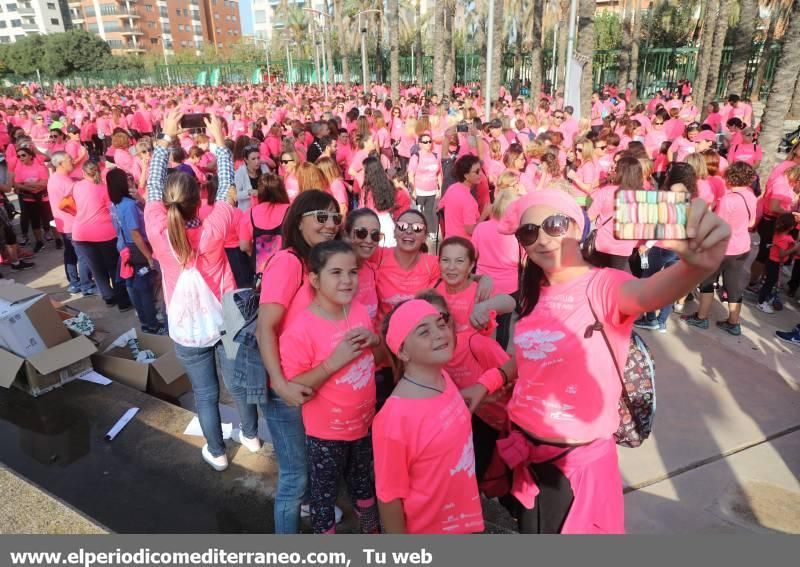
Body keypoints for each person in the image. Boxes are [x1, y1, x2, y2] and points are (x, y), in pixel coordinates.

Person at [486, 188, 729, 533]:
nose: (542, 238)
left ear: (576, 228)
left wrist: (694, 268)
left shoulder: (603, 285)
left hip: (577, 468)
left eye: (554, 224)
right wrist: (489, 382)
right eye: (529, 231)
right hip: (527, 455)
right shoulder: (532, 291)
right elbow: (527, 358)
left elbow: (647, 293)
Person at [144, 111, 239, 471]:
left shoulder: (157, 228)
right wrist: (220, 143)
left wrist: (164, 141)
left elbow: (152, 188)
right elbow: (228, 186)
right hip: (226, 316)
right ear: (199, 199)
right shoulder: (213, 227)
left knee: (205, 393)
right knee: (238, 385)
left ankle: (216, 452)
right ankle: (251, 434)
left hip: (186, 326)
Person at [279, 240, 381, 534]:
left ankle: (372, 532)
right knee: (324, 497)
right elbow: (295, 385)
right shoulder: (301, 329)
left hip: (363, 425)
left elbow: (374, 355)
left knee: (364, 483)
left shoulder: (358, 309)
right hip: (326, 435)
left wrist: (374, 341)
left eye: (352, 272)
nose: (347, 280)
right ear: (314, 279)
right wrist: (331, 364)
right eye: (336, 272)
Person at [256, 190, 341, 534]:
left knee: (306, 462)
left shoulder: (313, 261)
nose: (331, 224)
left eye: (336, 217)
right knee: (294, 475)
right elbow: (266, 328)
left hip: (307, 382)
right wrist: (280, 384)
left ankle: (308, 505)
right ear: (299, 219)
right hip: (286, 386)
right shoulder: (290, 261)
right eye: (322, 217)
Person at [372, 299, 485, 534]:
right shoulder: (393, 419)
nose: (440, 334)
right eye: (424, 331)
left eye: (440, 324)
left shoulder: (443, 377)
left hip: (462, 523)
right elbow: (389, 497)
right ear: (402, 351)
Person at [681, 162, 758, 335]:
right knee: (733, 285)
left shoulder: (727, 200)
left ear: (731, 177)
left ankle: (701, 318)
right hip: (742, 246)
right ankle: (733, 323)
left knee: (707, 282)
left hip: (722, 248)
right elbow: (752, 222)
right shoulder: (751, 196)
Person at [72, 161, 132, 311]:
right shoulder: (104, 189)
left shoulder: (77, 186)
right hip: (104, 233)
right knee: (113, 268)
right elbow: (112, 211)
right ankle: (122, 301)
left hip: (81, 233)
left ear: (84, 173)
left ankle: (108, 297)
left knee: (96, 268)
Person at [108, 168, 161, 334]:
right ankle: (151, 323)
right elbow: (136, 234)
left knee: (132, 285)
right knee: (144, 288)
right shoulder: (128, 205)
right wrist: (149, 257)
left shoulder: (115, 204)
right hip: (138, 250)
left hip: (124, 249)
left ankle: (145, 322)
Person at [434, 236, 515, 339]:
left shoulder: (480, 291)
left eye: (459, 261)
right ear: (439, 262)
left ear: (471, 266)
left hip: (472, 353)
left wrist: (484, 306)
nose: (451, 267)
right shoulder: (434, 288)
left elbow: (510, 303)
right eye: (445, 260)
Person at [471, 189, 521, 349]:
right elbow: (520, 260)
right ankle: (500, 359)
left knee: (481, 324)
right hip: (509, 286)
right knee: (503, 326)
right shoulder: (517, 233)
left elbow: (474, 254)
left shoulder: (481, 228)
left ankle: (481, 353)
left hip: (484, 286)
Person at [239, 173, 290, 276]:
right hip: (287, 266)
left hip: (261, 270)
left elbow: (244, 246)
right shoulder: (290, 210)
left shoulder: (250, 213)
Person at [756, 213, 799, 314]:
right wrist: (794, 248)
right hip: (774, 263)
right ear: (792, 227)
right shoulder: (784, 238)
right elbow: (781, 254)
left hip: (773, 262)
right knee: (769, 283)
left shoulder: (780, 234)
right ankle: (761, 302)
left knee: (770, 282)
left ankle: (765, 297)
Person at [437, 155, 481, 239]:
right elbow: (470, 230)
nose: (480, 174)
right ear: (466, 175)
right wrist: (484, 215)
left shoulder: (452, 188)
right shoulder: (469, 201)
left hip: (449, 242)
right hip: (464, 246)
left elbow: (439, 206)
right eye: (477, 172)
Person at [407, 131, 442, 233]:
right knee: (419, 213)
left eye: (430, 141)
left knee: (430, 213)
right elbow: (410, 174)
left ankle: (431, 232)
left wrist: (440, 188)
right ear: (420, 144)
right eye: (425, 142)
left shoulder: (435, 156)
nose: (428, 144)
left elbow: (439, 173)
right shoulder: (416, 157)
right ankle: (417, 232)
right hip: (420, 191)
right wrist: (413, 190)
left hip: (432, 191)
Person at [233, 144, 268, 210]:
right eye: (253, 159)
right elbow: (235, 196)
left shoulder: (264, 167)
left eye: (258, 158)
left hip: (264, 208)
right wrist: (249, 192)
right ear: (246, 160)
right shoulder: (240, 173)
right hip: (247, 211)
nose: (257, 161)